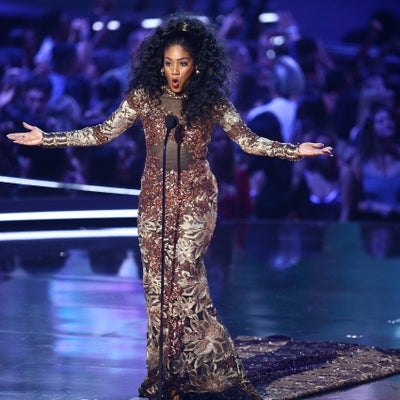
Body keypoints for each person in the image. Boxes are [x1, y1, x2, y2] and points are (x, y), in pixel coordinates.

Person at [7, 13, 333, 400]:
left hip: (196, 198)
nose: (175, 71)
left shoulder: (212, 102)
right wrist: (47, 139)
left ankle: (218, 373)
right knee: (158, 288)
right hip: (154, 199)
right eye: (168, 63)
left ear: (198, 65)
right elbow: (101, 133)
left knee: (187, 282)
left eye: (183, 63)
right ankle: (169, 375)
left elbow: (248, 141)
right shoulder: (143, 97)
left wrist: (294, 150)